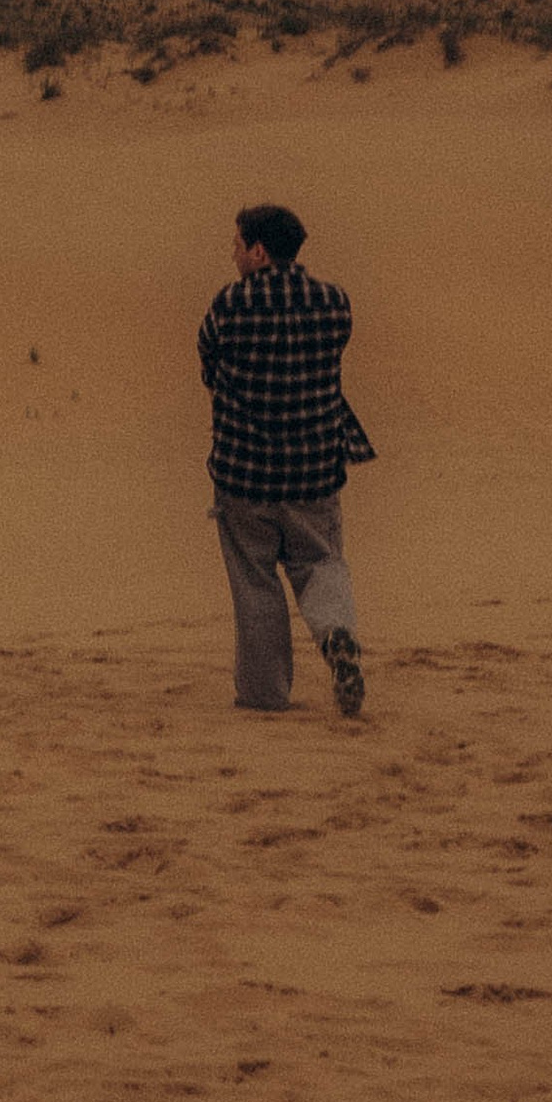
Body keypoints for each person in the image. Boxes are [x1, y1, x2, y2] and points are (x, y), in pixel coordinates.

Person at [197, 202, 372, 717]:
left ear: (258, 250)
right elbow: (334, 353)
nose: (232, 254)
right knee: (321, 563)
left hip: (243, 473)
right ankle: (336, 634)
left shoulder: (230, 305)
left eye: (237, 245)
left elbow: (208, 361)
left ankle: (264, 693)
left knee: (255, 582)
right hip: (315, 469)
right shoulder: (334, 303)